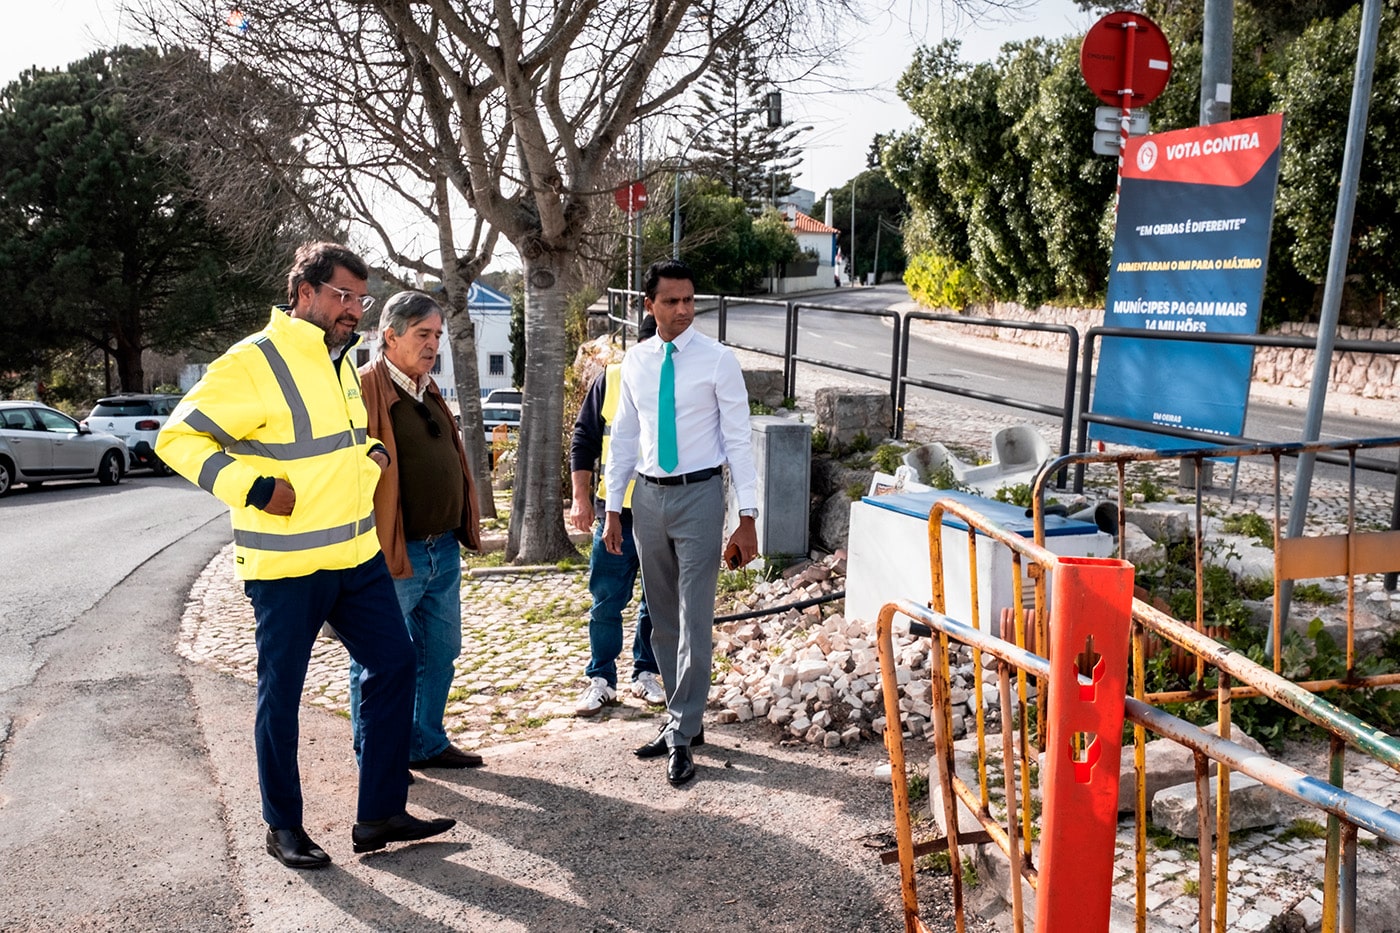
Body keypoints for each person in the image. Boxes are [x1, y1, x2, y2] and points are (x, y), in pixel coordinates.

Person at [156, 242, 455, 870]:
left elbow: (333, 441)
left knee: (396, 663)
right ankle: (283, 826)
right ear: (304, 293)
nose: (353, 309)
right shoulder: (253, 360)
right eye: (343, 295)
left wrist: (369, 456)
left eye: (360, 298)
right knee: (282, 695)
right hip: (286, 567)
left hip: (355, 555)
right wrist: (254, 487)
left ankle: (380, 813)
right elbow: (177, 436)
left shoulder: (340, 359)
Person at [602, 259, 759, 787]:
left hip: (700, 496)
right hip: (647, 499)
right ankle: (682, 721)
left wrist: (747, 517)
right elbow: (625, 436)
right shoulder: (636, 361)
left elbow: (739, 440)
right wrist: (613, 508)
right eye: (671, 301)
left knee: (695, 618)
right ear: (649, 306)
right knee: (662, 618)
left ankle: (681, 729)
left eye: (690, 300)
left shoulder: (719, 361)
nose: (683, 310)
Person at [352, 290, 483, 770]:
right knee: (377, 659)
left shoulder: (426, 387)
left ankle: (424, 742)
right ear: (391, 336)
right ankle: (376, 759)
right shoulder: (364, 388)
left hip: (441, 548)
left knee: (440, 651)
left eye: (438, 335)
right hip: (393, 549)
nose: (433, 344)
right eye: (423, 334)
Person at [568, 313, 666, 716]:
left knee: (657, 600)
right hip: (617, 512)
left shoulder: (682, 379)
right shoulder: (611, 378)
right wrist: (580, 499)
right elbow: (584, 439)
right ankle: (602, 679)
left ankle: (646, 672)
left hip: (664, 510)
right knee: (607, 599)